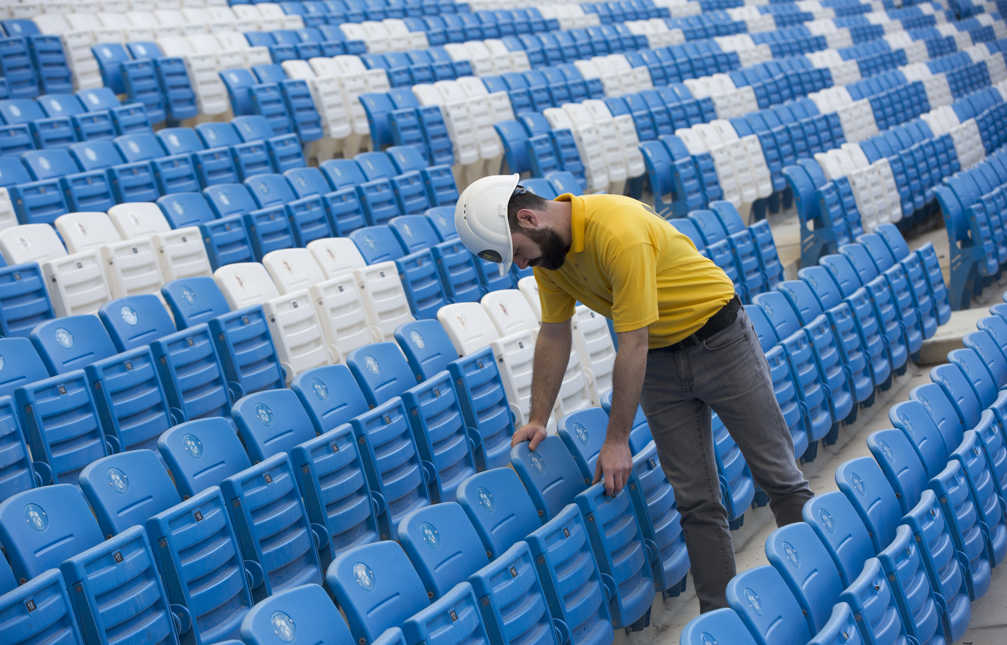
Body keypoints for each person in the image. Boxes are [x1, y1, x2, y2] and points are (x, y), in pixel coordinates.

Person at [453, 174, 814, 612]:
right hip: (659, 365)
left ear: (529, 218)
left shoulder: (617, 229)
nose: (524, 266)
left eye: (519, 253)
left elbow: (633, 343)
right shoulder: (552, 258)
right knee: (696, 502)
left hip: (720, 342)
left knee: (779, 477)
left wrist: (617, 440)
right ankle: (719, 621)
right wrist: (538, 417)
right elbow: (554, 333)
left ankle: (813, 589)